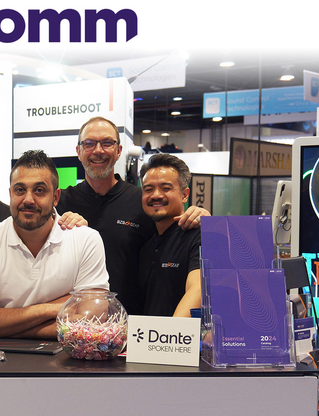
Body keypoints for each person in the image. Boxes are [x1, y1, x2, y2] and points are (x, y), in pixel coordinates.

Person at [56, 116, 207, 315]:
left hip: (133, 323)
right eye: (89, 143)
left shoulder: (142, 201)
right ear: (79, 151)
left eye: (107, 143)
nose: (98, 150)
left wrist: (202, 217)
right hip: (74, 321)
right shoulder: (60, 203)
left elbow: (171, 232)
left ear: (119, 151)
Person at [0, 149, 109, 340]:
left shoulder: (85, 240)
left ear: (56, 197)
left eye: (39, 190)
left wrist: (4, 327)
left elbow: (92, 321)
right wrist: (54, 308)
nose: (28, 200)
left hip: (66, 358)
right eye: (20, 190)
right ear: (10, 194)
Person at [138, 153, 201, 317]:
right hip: (146, 332)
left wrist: (171, 331)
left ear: (185, 195)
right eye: (148, 189)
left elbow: (198, 288)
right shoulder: (146, 245)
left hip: (180, 332)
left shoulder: (198, 236)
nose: (156, 195)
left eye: (166, 188)